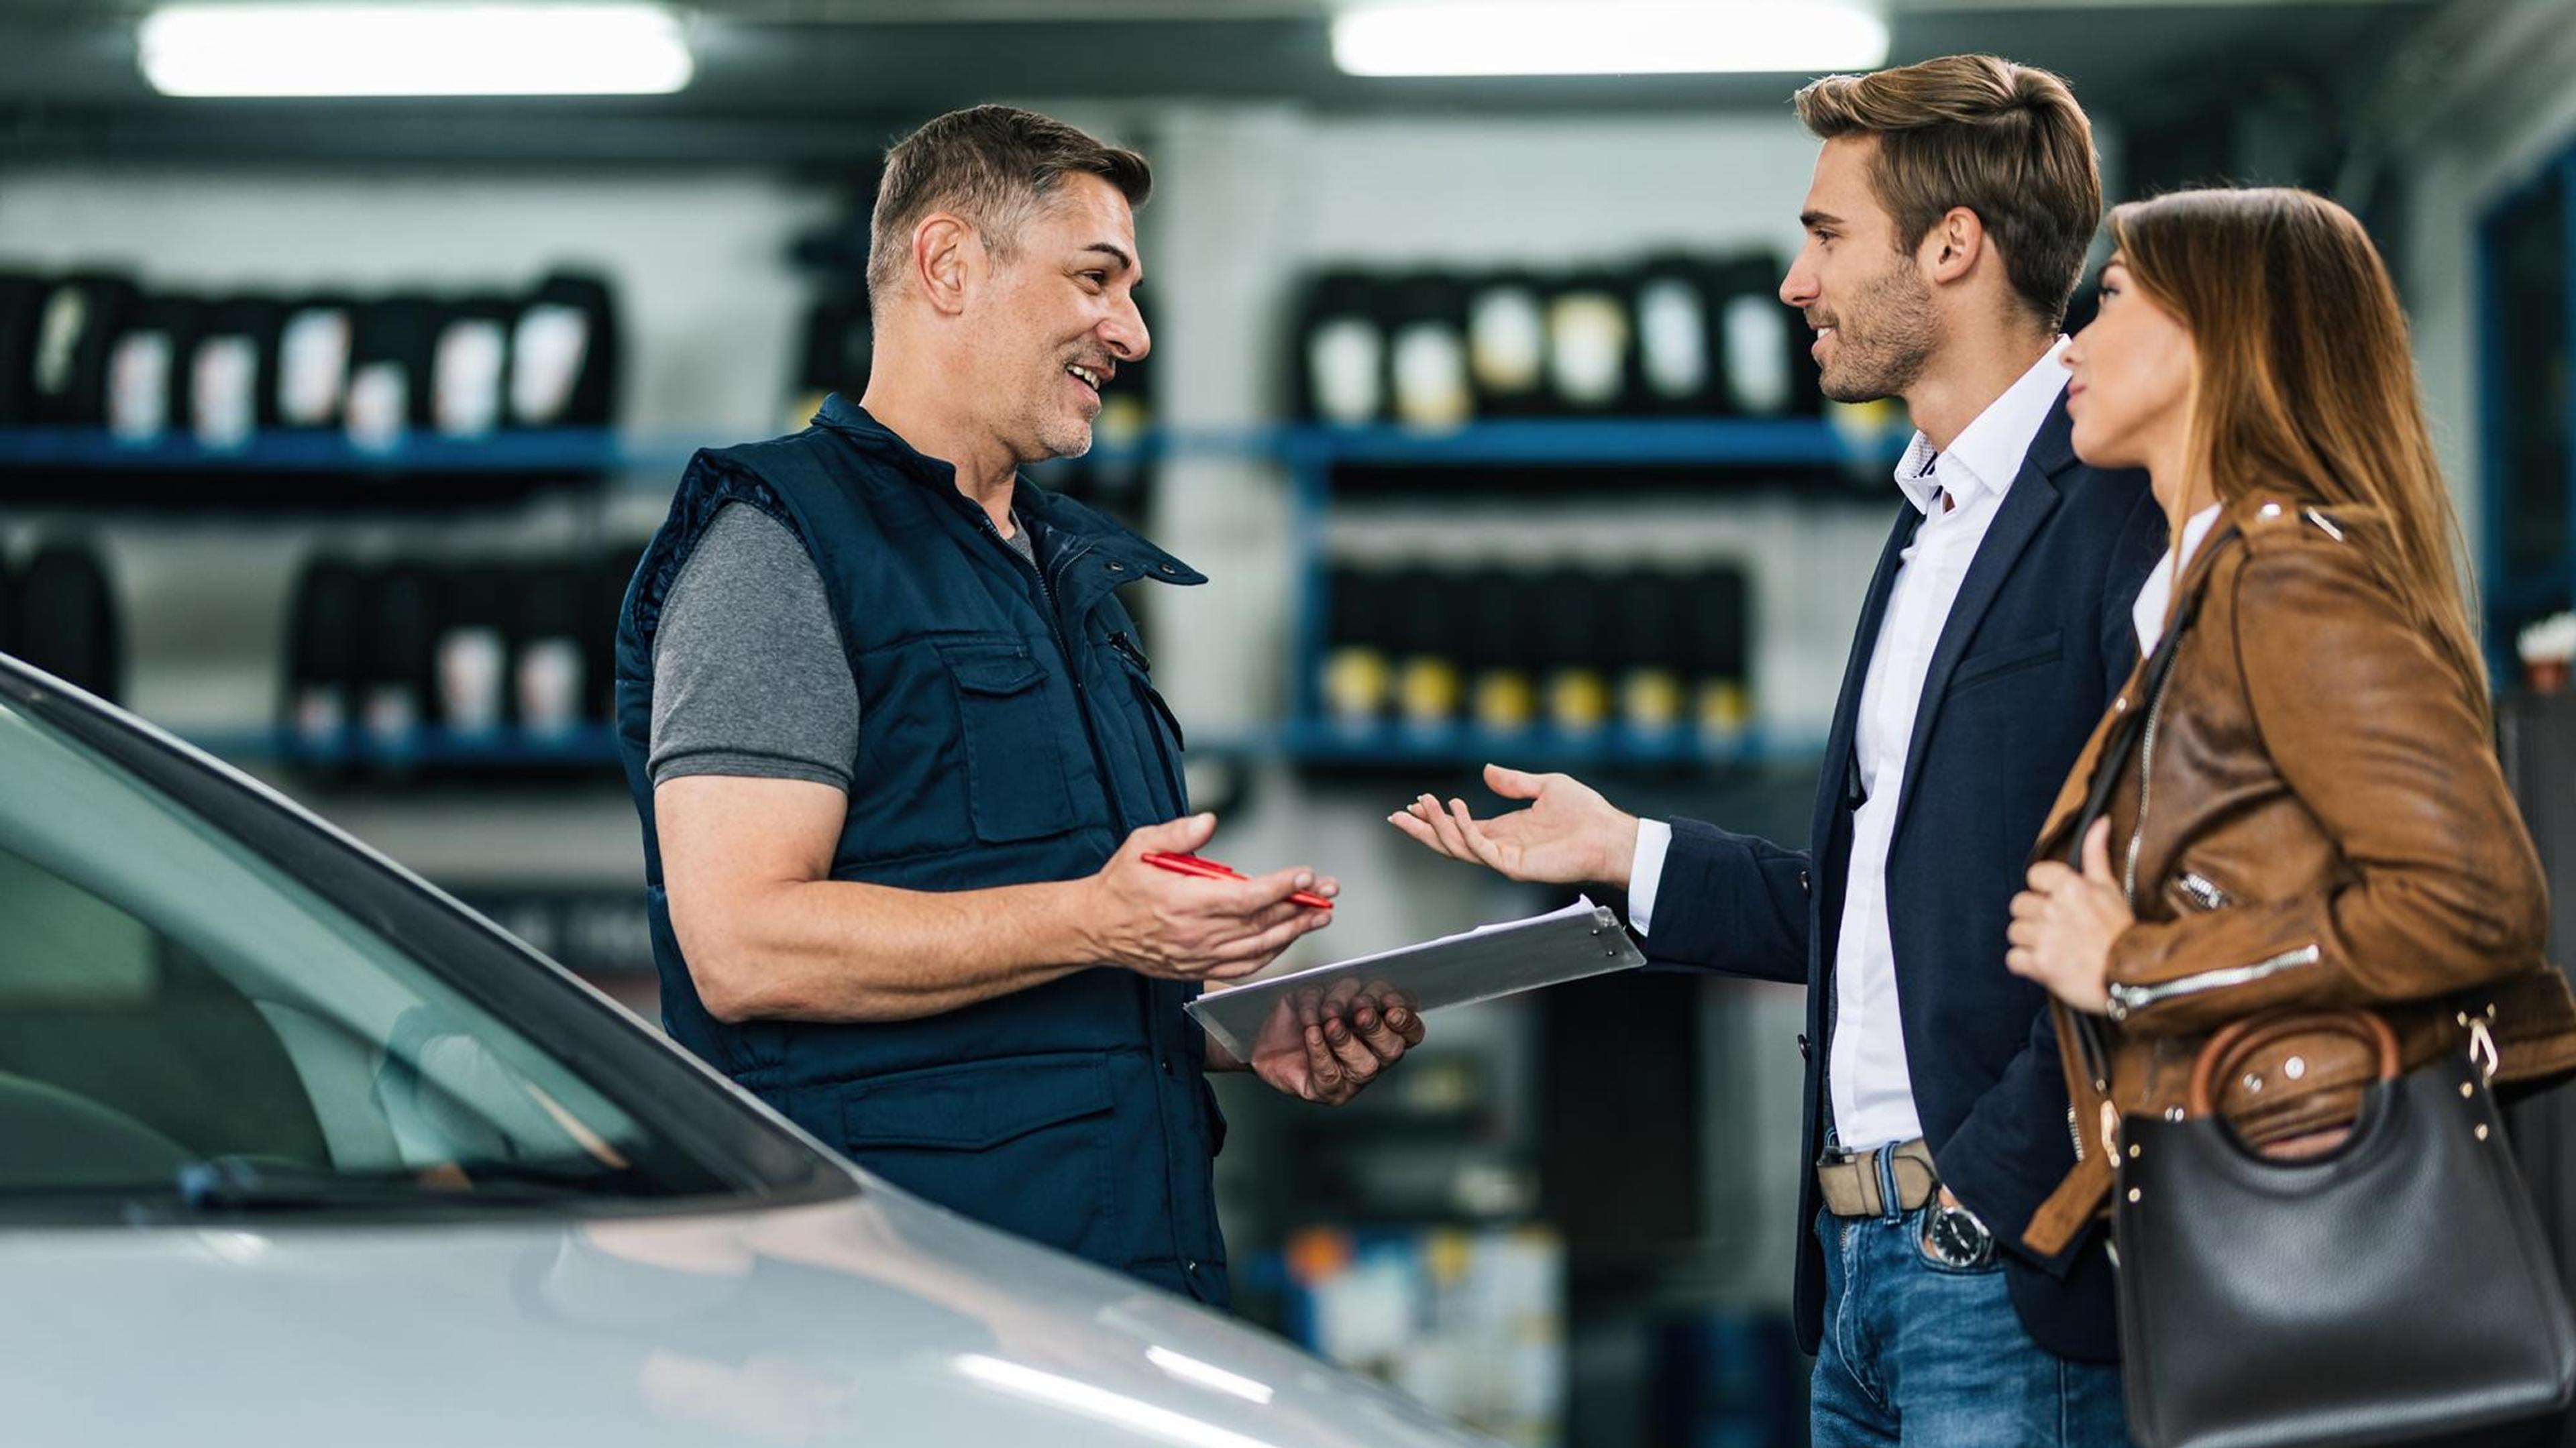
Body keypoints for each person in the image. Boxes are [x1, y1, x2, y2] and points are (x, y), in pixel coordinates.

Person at [1391, 55, 2163, 1444]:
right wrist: (1626, 852)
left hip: (2003, 1277)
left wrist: (1996, 1185)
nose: (1796, 284)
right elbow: (1877, 917)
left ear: (1953, 247)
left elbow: (2165, 886)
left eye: (1825, 236)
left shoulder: (2117, 505)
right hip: (1857, 1284)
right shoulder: (1933, 519)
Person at [612, 105, 1421, 1309]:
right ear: (948, 265)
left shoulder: (1067, 578)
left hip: (1119, 1290)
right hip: (897, 1316)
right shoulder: (778, 549)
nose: (1132, 332)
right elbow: (740, 945)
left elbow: (1041, 952)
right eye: (1096, 278)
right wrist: (1099, 924)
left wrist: (1223, 1029)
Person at [2004, 186, 2576, 1251]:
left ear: (2218, 330)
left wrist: (2134, 967)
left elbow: (2473, 902)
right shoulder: (2210, 589)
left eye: (2114, 295)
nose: (2074, 340)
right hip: (2255, 1226)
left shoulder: (2285, 582)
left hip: (2320, 1237)